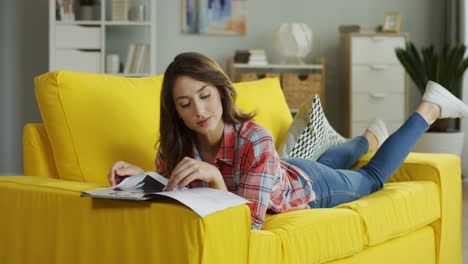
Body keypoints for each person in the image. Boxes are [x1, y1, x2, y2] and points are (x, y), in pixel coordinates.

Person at [108, 52, 468, 230]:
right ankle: (367, 137)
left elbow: (251, 222)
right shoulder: (174, 147)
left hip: (309, 188)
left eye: (205, 95)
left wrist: (216, 180)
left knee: (371, 178)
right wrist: (140, 177)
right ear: (177, 112)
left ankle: (429, 107)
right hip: (281, 171)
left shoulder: (255, 138)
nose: (199, 110)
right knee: (331, 158)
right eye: (185, 104)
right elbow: (171, 193)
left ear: (221, 92)